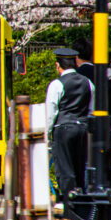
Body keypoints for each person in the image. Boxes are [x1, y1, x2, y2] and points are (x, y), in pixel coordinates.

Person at [46, 47, 94, 201]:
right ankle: (81, 197)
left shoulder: (56, 84)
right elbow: (91, 111)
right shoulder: (88, 83)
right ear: (76, 64)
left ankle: (69, 201)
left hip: (63, 129)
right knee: (80, 165)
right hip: (83, 128)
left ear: (57, 65)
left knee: (65, 167)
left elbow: (50, 113)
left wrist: (47, 136)